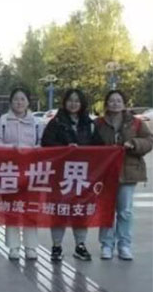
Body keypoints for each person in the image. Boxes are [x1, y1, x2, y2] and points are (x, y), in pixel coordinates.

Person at [41, 89, 99, 262]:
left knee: (80, 210)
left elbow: (99, 146)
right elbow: (46, 143)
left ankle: (80, 245)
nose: (73, 104)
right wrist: (65, 149)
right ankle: (56, 246)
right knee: (59, 210)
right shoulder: (56, 122)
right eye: (70, 100)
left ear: (82, 104)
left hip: (82, 175)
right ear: (65, 102)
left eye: (77, 101)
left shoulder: (89, 123)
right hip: (60, 175)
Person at [95, 90, 153, 261]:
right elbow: (90, 143)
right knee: (106, 210)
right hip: (105, 173)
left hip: (128, 171)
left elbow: (149, 141)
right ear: (106, 103)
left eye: (118, 100)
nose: (115, 103)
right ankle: (106, 245)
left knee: (125, 211)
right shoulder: (98, 123)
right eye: (111, 100)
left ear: (124, 104)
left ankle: (124, 245)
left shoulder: (136, 123)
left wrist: (134, 143)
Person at [0, 87, 42, 261]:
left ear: (28, 102)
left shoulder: (37, 122)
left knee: (31, 209)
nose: (19, 102)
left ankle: (31, 247)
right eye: (16, 99)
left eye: (22, 99)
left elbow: (44, 143)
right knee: (12, 208)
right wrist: (11, 148)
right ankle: (13, 247)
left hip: (31, 171)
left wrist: (34, 150)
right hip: (9, 171)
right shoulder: (2, 121)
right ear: (11, 102)